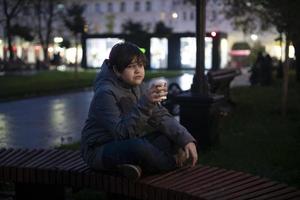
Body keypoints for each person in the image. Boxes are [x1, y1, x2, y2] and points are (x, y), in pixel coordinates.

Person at [81, 42, 198, 181]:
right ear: (117, 70)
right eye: (131, 66)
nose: (138, 71)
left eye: (140, 65)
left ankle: (134, 167)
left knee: (167, 137)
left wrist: (186, 140)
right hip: (100, 150)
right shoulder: (105, 93)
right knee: (138, 147)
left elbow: (161, 117)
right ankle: (174, 163)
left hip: (128, 143)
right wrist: (146, 104)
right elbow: (121, 134)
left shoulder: (138, 87)